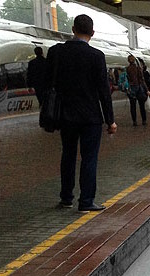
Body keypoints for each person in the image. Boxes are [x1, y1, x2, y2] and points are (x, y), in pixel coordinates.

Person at [46, 14, 116, 212]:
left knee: (67, 155)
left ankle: (66, 198)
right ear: (92, 33)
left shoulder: (56, 52)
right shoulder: (96, 56)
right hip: (90, 117)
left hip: (66, 116)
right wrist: (110, 120)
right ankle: (86, 202)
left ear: (73, 29)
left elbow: (46, 83)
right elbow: (104, 91)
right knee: (89, 158)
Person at [126, 55, 150, 126]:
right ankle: (144, 120)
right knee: (141, 105)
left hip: (131, 89)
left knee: (132, 106)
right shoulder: (138, 68)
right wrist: (147, 90)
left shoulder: (127, 69)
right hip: (139, 88)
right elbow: (142, 80)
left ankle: (134, 121)